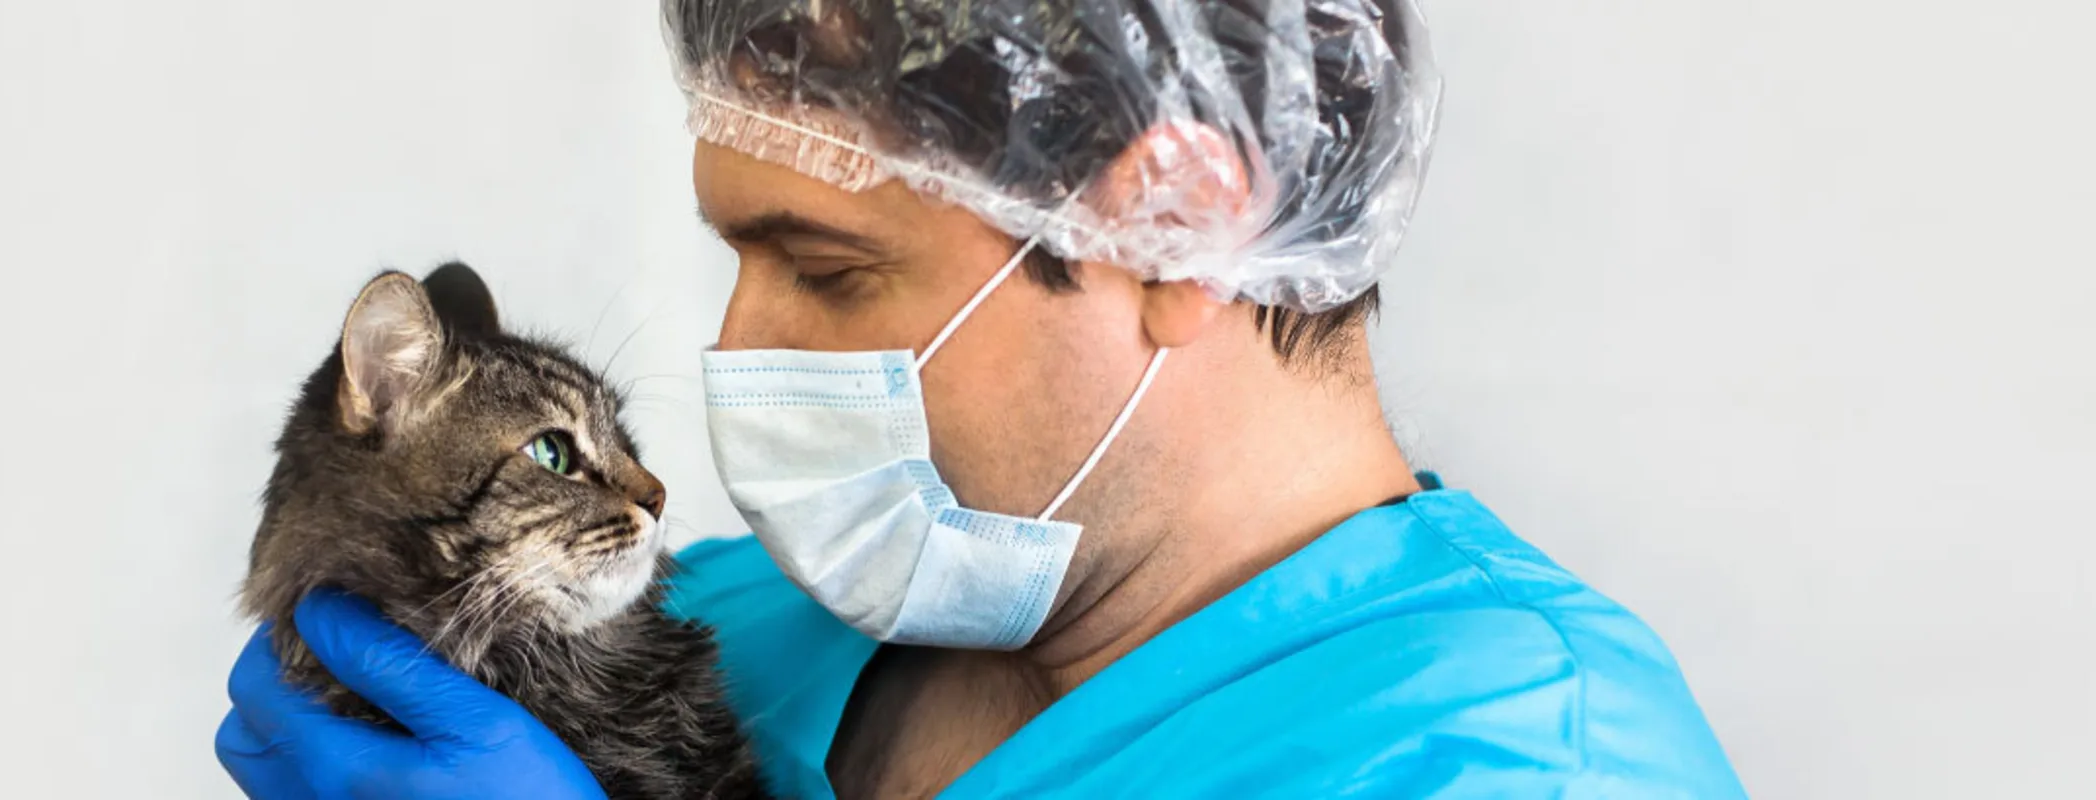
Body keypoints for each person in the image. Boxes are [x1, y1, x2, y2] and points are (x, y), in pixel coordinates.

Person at [216, 0, 1745, 797]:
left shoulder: (1514, 763)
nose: (740, 351)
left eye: (824, 269)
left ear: (1175, 232)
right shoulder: (730, 628)